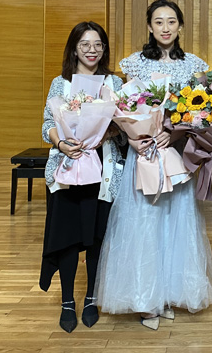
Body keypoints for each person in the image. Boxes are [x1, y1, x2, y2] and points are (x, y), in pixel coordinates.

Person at [95, 0, 212, 330]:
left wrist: (173, 132)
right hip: (144, 154)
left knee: (174, 222)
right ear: (149, 26)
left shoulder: (194, 65)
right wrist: (137, 137)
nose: (165, 27)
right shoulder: (134, 64)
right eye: (159, 22)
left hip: (175, 155)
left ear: (180, 26)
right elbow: (124, 109)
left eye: (171, 21)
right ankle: (145, 299)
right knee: (144, 222)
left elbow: (200, 113)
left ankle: (166, 295)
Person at [40, 21, 125, 333]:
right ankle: (67, 301)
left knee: (96, 237)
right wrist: (61, 142)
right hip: (68, 165)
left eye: (98, 44)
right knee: (67, 237)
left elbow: (125, 128)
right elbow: (47, 123)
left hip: (103, 168)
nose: (92, 50)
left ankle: (91, 297)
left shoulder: (114, 83)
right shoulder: (60, 83)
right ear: (74, 49)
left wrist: (108, 132)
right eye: (85, 44)